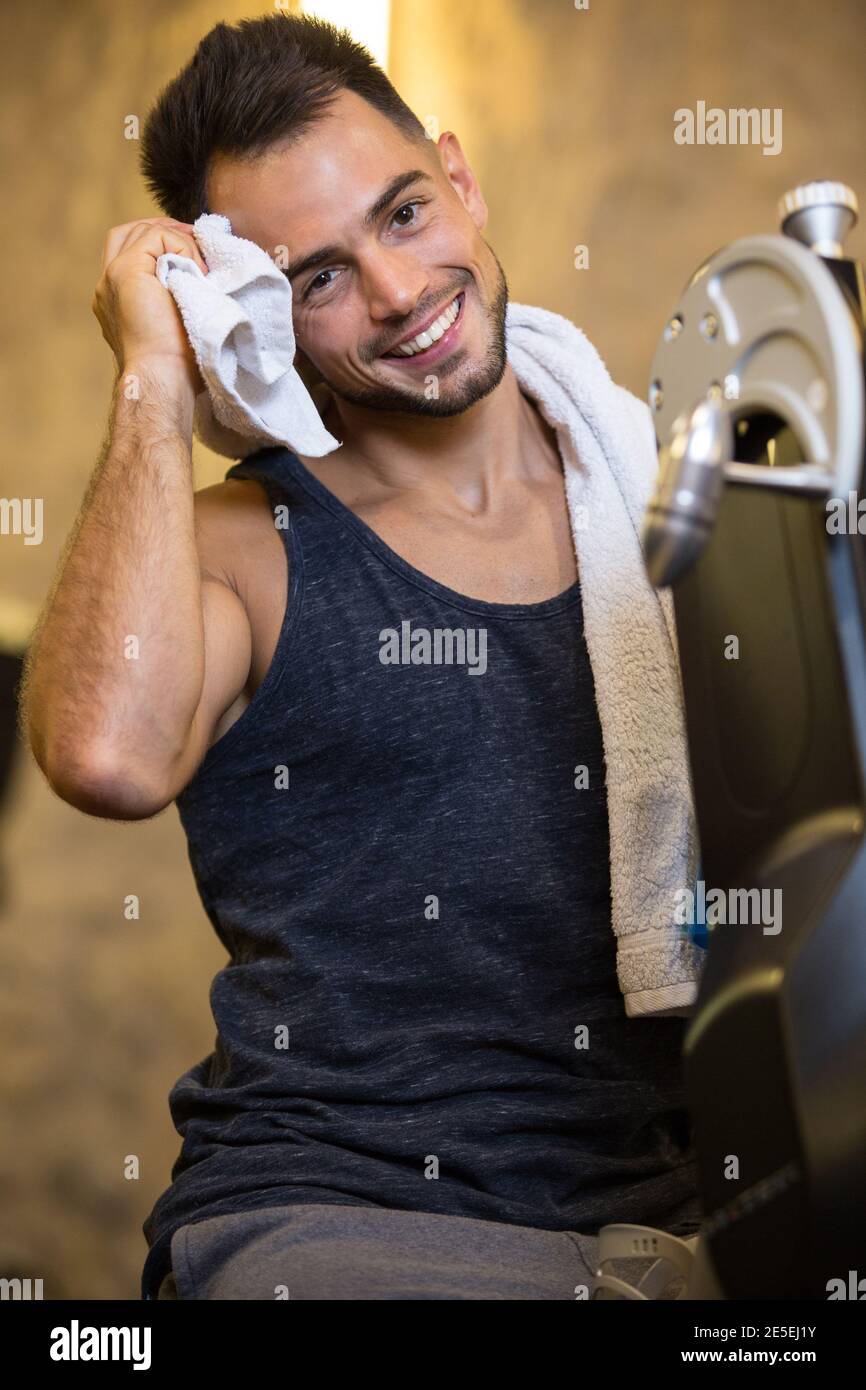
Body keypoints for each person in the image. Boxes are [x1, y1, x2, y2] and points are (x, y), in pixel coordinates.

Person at [20, 12, 702, 1300]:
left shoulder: (659, 503)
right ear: (255, 317)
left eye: (402, 213)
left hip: (669, 1206)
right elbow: (105, 754)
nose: (398, 296)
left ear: (459, 176)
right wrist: (152, 384)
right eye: (315, 278)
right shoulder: (241, 546)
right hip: (337, 1219)